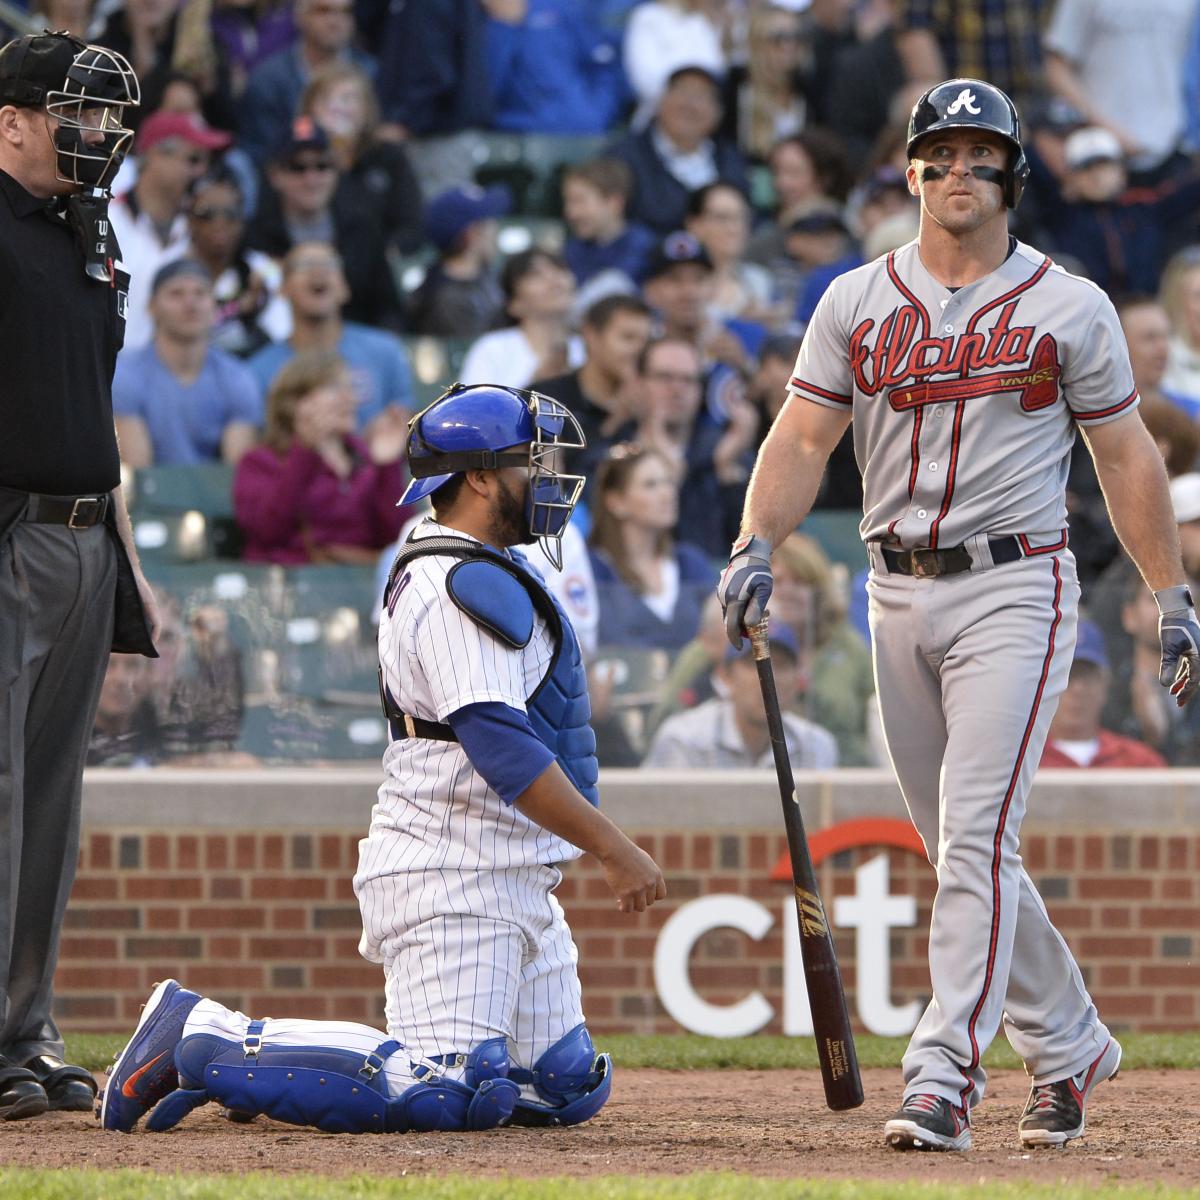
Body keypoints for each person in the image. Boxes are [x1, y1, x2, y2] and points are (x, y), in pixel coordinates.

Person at [719, 78, 1200, 1152]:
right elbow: (802, 440)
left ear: (1013, 175)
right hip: (891, 585)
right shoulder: (855, 298)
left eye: (983, 156)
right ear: (912, 169)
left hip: (1015, 582)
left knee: (977, 838)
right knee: (962, 853)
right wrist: (755, 540)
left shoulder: (1069, 304)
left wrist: (1172, 594)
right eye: (942, 154)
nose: (960, 172)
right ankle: (1070, 1042)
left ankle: (943, 1076)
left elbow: (1125, 454)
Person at [101, 383, 665, 1137]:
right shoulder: (460, 582)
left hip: (508, 868)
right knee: (446, 1088)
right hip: (452, 869)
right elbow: (501, 746)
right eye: (534, 463)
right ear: (481, 477)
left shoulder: (473, 565)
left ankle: (241, 1058)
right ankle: (205, 1035)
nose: (551, 482)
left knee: (557, 1085)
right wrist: (612, 846)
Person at [0, 30, 157, 1121]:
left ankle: (23, 1032)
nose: (95, 135)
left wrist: (132, 567)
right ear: (10, 119)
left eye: (104, 118)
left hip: (85, 535)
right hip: (7, 532)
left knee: (51, 804)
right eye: (74, 113)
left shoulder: (84, 232)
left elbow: (91, 416)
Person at [233, 351, 408, 564]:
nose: (349, 398)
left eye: (351, 388)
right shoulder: (260, 462)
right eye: (334, 387)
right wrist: (304, 453)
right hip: (288, 586)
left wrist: (387, 466)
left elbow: (397, 540)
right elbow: (267, 531)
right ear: (295, 402)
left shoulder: (364, 459)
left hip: (362, 585)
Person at [247, 116, 404, 331]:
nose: (311, 179)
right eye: (297, 167)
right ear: (275, 175)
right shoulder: (253, 236)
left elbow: (388, 308)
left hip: (355, 347)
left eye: (322, 166)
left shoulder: (362, 228)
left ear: (335, 172)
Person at [246, 242, 415, 435]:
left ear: (345, 289)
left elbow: (407, 423)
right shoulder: (257, 371)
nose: (318, 272)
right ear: (283, 289)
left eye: (329, 265)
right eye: (304, 265)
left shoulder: (386, 351)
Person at [112, 259, 262, 467]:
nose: (190, 303)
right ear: (151, 307)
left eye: (200, 293)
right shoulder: (125, 374)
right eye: (176, 293)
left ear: (214, 306)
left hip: (216, 499)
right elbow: (139, 472)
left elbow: (236, 475)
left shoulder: (237, 377)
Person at [108, 107, 232, 349]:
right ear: (155, 156)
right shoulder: (107, 219)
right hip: (110, 372)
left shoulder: (204, 229)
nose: (201, 171)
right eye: (194, 159)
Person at [642, 624, 838, 769]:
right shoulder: (683, 739)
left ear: (797, 681)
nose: (768, 677)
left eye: (781, 665)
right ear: (726, 677)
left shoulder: (817, 745)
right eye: (754, 663)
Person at [588, 444, 717, 650]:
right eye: (650, 485)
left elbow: (721, 634)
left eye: (668, 482)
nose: (668, 494)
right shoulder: (591, 569)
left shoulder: (690, 563)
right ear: (616, 501)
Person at [530, 293, 653, 502]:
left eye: (646, 341)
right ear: (591, 335)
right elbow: (561, 489)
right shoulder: (547, 400)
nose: (639, 350)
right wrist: (615, 423)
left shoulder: (652, 403)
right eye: (628, 338)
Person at [607, 64, 750, 238]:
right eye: (682, 92)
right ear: (660, 101)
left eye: (702, 96)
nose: (689, 105)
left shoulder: (732, 160)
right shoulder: (622, 158)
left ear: (718, 113)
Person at [236, 0, 373, 165]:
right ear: (299, 16)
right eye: (323, 10)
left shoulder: (371, 73)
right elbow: (262, 152)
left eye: (346, 11)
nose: (336, 20)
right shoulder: (268, 80)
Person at [180, 165, 291, 357]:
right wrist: (238, 308)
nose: (219, 223)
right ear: (189, 220)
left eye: (230, 214)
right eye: (207, 213)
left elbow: (282, 333)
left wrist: (257, 305)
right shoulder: (168, 268)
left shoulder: (265, 269)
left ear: (242, 221)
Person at [1040, 620, 1166, 769]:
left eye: (1087, 676)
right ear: (1046, 685)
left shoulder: (1139, 761)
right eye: (1067, 676)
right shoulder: (1024, 760)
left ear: (1105, 685)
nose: (1078, 689)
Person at [458, 248, 583, 390]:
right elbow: (471, 409)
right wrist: (537, 385)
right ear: (514, 304)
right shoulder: (492, 350)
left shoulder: (589, 347)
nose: (554, 280)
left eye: (559, 269)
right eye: (535, 274)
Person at [406, 183, 509, 338]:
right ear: (472, 235)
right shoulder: (446, 299)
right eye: (489, 225)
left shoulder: (486, 274)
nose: (495, 232)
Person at [561, 157, 656, 295]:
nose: (571, 213)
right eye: (568, 202)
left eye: (579, 201)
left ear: (614, 202)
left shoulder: (645, 249)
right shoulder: (571, 251)